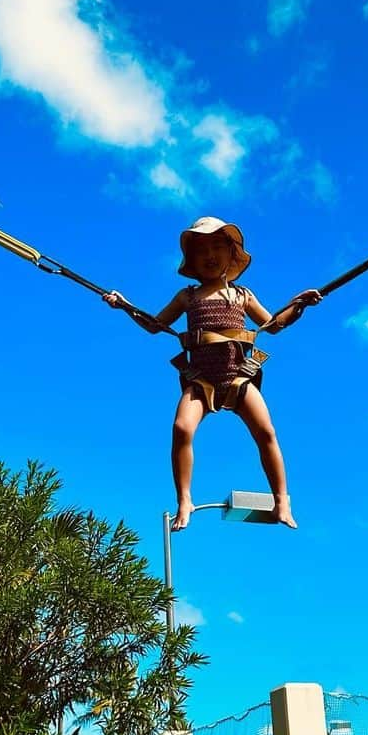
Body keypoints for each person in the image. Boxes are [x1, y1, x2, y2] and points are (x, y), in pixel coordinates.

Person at [104, 216, 320, 531]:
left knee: (267, 433)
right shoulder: (187, 297)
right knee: (181, 429)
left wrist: (298, 305)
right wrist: (124, 305)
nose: (210, 255)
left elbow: (274, 324)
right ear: (191, 260)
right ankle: (184, 500)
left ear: (231, 256)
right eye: (202, 250)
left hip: (238, 378)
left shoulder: (242, 295)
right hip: (200, 380)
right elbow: (154, 325)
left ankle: (282, 501)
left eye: (217, 247)